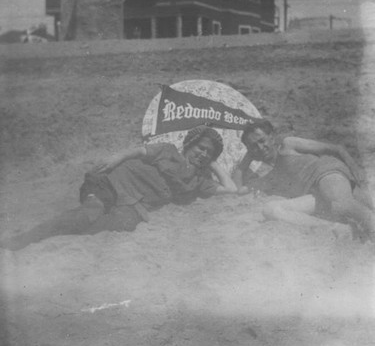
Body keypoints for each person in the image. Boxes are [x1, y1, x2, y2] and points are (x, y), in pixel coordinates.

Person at [3, 126, 237, 250]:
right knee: (91, 212)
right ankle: (23, 240)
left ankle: (56, 238)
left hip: (135, 206)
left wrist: (214, 163)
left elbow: (231, 189)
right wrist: (115, 158)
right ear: (189, 144)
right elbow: (139, 151)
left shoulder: (199, 181)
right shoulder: (168, 151)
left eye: (210, 153)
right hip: (112, 182)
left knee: (119, 224)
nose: (203, 154)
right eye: (201, 148)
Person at [233, 118, 375, 241]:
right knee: (271, 209)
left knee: (341, 204)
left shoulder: (288, 145)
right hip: (317, 195)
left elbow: (336, 149)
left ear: (272, 137)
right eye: (254, 147)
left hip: (327, 175)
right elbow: (239, 190)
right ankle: (338, 229)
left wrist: (355, 169)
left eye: (262, 141)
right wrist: (248, 157)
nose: (260, 147)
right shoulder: (270, 177)